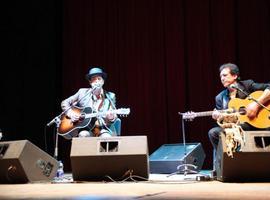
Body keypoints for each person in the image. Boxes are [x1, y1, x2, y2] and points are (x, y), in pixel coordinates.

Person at [208, 63, 270, 173]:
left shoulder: (247, 85)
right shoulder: (220, 98)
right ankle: (226, 165)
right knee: (213, 132)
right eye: (221, 76)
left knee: (237, 127)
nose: (222, 78)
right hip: (238, 127)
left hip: (259, 123)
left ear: (235, 76)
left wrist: (256, 105)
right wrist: (219, 117)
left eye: (225, 75)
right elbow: (224, 122)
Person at [61, 67, 120, 138]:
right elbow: (65, 103)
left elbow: (113, 113)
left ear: (103, 81)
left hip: (102, 128)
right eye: (94, 79)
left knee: (106, 137)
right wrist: (71, 113)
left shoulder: (110, 96)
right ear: (90, 82)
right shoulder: (82, 92)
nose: (96, 81)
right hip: (86, 128)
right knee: (83, 135)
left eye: (99, 79)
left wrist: (111, 118)